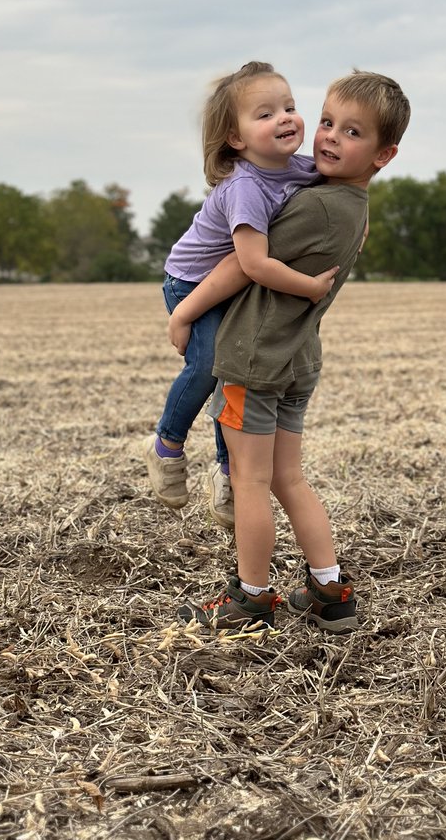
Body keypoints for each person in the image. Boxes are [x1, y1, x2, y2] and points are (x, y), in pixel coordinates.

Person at [171, 70, 411, 633]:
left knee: (251, 483)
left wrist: (183, 311)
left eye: (352, 132)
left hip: (254, 361)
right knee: (289, 479)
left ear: (384, 154)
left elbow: (241, 263)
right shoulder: (353, 207)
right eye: (327, 122)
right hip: (298, 358)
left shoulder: (312, 209)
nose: (328, 137)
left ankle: (251, 598)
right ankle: (329, 591)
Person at [143, 61, 339, 529]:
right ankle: (166, 444)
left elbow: (339, 187)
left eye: (289, 107)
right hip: (192, 280)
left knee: (238, 370)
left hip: (235, 284)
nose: (285, 118)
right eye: (265, 114)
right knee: (211, 362)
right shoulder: (247, 188)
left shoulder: (300, 169)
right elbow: (252, 263)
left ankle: (226, 470)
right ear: (236, 138)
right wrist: (309, 287)